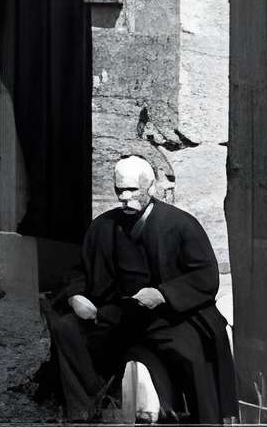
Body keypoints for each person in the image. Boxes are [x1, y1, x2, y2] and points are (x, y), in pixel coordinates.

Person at [43, 154, 238, 423]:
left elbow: (205, 275)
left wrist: (162, 294)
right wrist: (76, 295)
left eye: (132, 190)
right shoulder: (103, 226)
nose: (125, 197)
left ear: (151, 188)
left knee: (192, 354)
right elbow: (80, 271)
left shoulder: (181, 224)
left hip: (170, 317)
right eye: (119, 190)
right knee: (67, 328)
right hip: (118, 312)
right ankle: (87, 409)